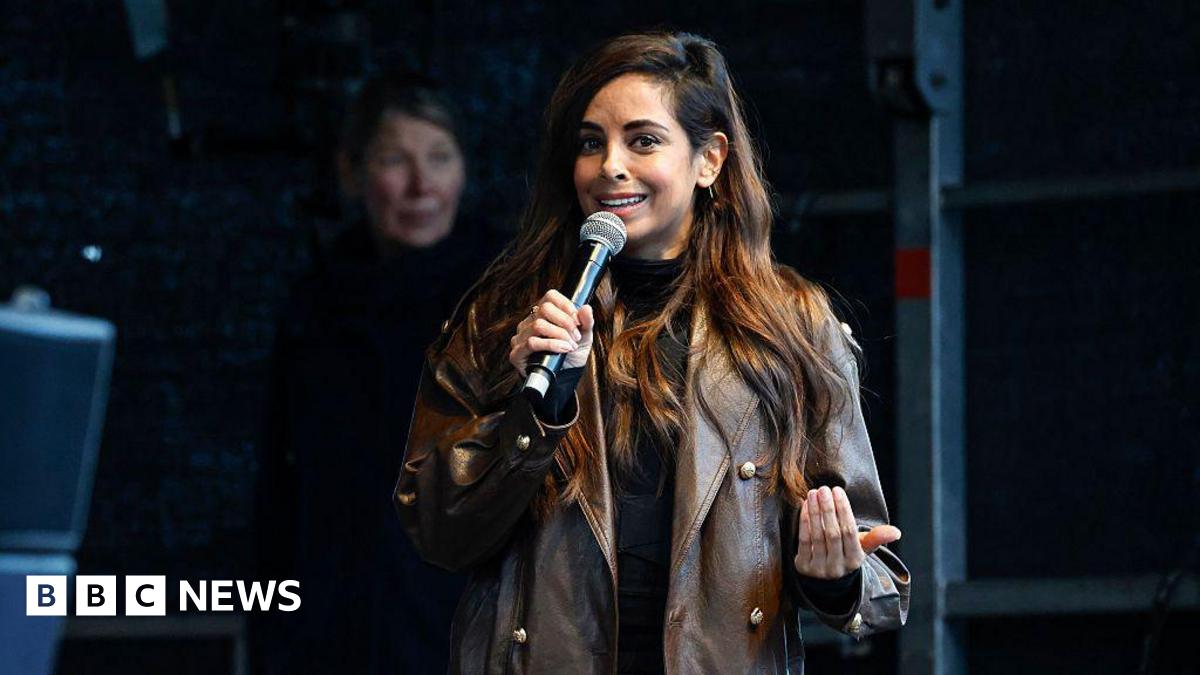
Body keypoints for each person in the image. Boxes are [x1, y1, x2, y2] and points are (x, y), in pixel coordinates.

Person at [394, 32, 909, 674]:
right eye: (590, 143)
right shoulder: (506, 320)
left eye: (643, 141)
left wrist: (834, 574)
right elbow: (440, 531)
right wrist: (538, 403)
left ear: (709, 160)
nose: (610, 165)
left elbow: (880, 579)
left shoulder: (790, 327)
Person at [254, 70, 496, 674]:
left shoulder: (504, 299)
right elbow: (282, 488)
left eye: (439, 158)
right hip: (332, 620)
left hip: (460, 621)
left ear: (463, 171)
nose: (421, 186)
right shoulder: (314, 304)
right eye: (395, 160)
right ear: (352, 172)